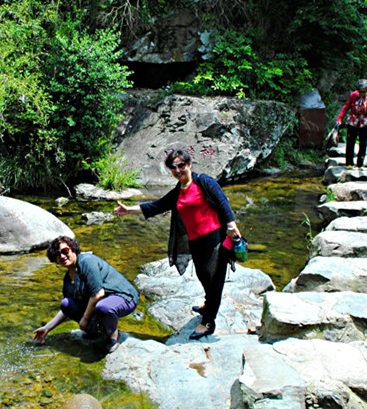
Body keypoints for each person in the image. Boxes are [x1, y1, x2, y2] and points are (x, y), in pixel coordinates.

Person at [114, 149, 243, 340]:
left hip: (215, 239)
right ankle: (209, 303)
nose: (178, 170)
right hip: (196, 241)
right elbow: (157, 206)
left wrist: (231, 226)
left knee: (214, 279)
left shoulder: (204, 182)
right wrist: (128, 210)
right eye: (173, 167)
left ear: (189, 165)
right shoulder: (178, 191)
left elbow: (222, 202)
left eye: (181, 165)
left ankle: (208, 322)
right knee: (203, 275)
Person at [33, 236, 138, 353]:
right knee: (66, 303)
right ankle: (97, 331)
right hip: (102, 303)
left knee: (103, 307)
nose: (62, 256)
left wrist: (84, 319)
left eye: (64, 251)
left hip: (124, 297)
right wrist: (47, 328)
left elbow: (98, 294)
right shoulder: (68, 279)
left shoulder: (86, 261)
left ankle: (114, 336)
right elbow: (66, 310)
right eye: (57, 254)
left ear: (72, 249)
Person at [336, 79, 367, 168]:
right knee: (350, 142)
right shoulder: (354, 95)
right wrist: (340, 118)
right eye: (360, 92)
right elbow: (346, 107)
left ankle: (360, 164)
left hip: (366, 122)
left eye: (364, 92)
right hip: (353, 121)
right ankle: (349, 163)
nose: (362, 94)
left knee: (363, 142)